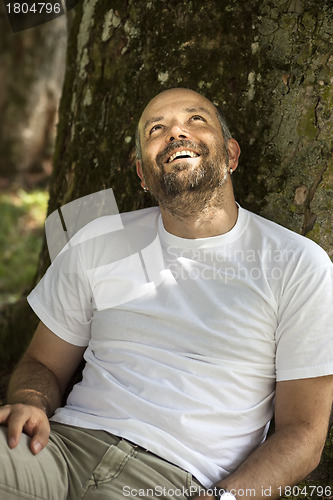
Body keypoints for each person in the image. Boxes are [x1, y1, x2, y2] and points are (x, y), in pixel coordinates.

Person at [0, 87, 332, 500]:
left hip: (174, 481)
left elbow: (304, 435)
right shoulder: (100, 239)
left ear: (230, 155)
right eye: (157, 128)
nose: (176, 132)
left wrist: (224, 499)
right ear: (142, 173)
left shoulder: (298, 264)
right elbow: (41, 363)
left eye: (196, 120)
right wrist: (31, 403)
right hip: (58, 450)